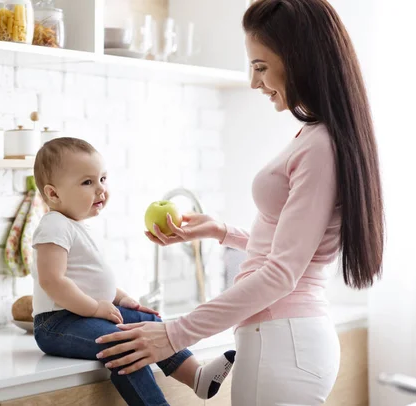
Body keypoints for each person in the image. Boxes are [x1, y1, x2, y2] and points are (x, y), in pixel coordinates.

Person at [95, 0, 384, 404]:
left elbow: (281, 273)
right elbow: (293, 248)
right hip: (288, 340)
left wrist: (174, 334)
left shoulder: (319, 146)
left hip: (283, 343)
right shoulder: (317, 137)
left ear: (299, 58)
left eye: (261, 67)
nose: (253, 82)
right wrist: (222, 232)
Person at [30, 137, 236, 406]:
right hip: (57, 323)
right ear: (53, 194)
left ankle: (195, 375)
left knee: (144, 319)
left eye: (103, 179)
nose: (101, 189)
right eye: (87, 182)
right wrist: (94, 309)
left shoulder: (76, 226)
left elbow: (87, 280)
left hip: (81, 313)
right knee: (126, 345)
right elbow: (52, 281)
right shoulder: (54, 225)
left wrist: (119, 298)